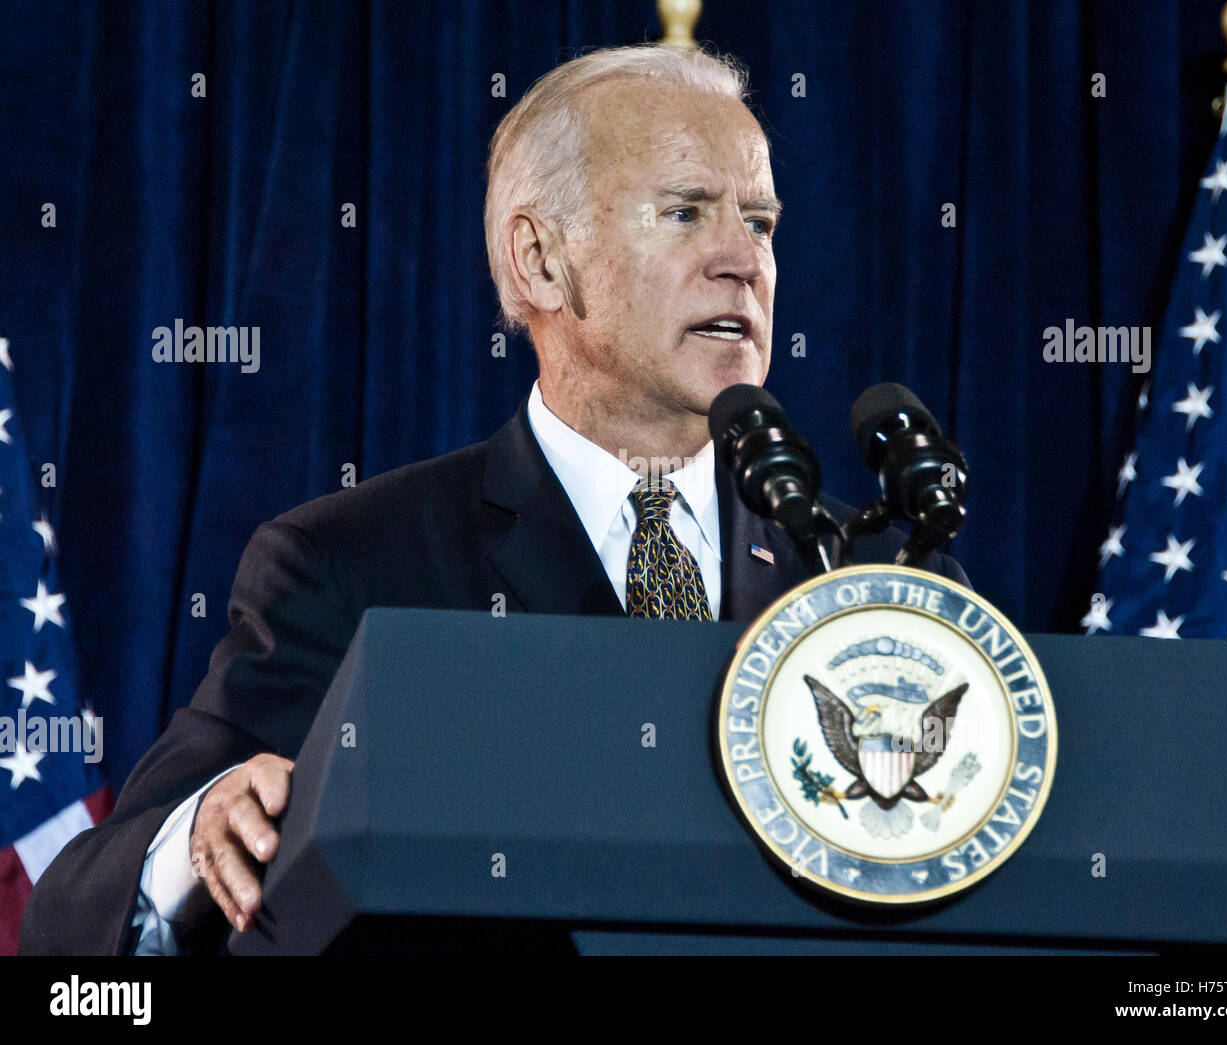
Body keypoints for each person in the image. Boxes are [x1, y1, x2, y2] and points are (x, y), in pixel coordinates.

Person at [19, 44, 966, 955]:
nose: (743, 260)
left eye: (759, 222)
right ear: (540, 262)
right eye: (686, 213)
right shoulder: (353, 564)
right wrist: (198, 834)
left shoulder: (875, 578)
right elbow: (71, 910)